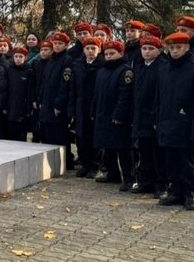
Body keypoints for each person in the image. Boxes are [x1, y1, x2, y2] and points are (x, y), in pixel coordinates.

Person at [155, 32, 194, 211]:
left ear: (187, 48)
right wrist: (157, 119)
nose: (175, 51)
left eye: (179, 47)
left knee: (187, 160)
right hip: (167, 122)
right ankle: (175, 191)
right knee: (171, 159)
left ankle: (189, 192)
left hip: (187, 124)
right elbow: (158, 97)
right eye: (171, 48)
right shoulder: (163, 69)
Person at [91, 40, 134, 191]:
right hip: (103, 113)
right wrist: (93, 110)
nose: (108, 56)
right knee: (107, 146)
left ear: (121, 53)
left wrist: (119, 115)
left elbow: (125, 95)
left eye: (112, 53)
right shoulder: (102, 71)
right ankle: (112, 173)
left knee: (123, 148)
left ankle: (129, 178)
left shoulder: (125, 71)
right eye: (107, 53)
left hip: (117, 117)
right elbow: (96, 94)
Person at [130, 35, 166, 198]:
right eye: (144, 48)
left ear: (159, 50)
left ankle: (160, 184)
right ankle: (146, 182)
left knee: (157, 153)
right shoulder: (139, 65)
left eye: (151, 48)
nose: (146, 51)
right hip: (140, 116)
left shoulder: (163, 67)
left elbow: (161, 95)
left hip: (154, 117)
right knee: (144, 151)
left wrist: (156, 118)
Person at [36, 32, 74, 169]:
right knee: (47, 134)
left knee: (60, 135)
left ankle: (65, 163)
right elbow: (45, 81)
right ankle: (51, 163)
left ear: (66, 45)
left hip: (57, 105)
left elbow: (65, 84)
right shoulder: (52, 60)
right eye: (55, 44)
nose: (57, 46)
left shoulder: (67, 60)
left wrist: (59, 104)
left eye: (60, 44)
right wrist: (40, 98)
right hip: (46, 103)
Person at [70, 37, 102, 178]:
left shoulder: (102, 65)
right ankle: (85, 164)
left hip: (94, 106)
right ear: (83, 50)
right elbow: (72, 87)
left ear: (99, 50)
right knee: (81, 137)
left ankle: (95, 166)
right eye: (87, 48)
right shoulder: (77, 64)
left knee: (94, 138)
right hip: (80, 105)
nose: (90, 51)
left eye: (93, 48)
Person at [5, 47, 33, 142]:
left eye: (20, 56)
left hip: (22, 107)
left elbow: (30, 91)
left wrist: (28, 108)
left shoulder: (29, 71)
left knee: (21, 134)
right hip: (10, 105)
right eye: (16, 56)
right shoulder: (9, 70)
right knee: (10, 133)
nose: (18, 58)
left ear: (25, 58)